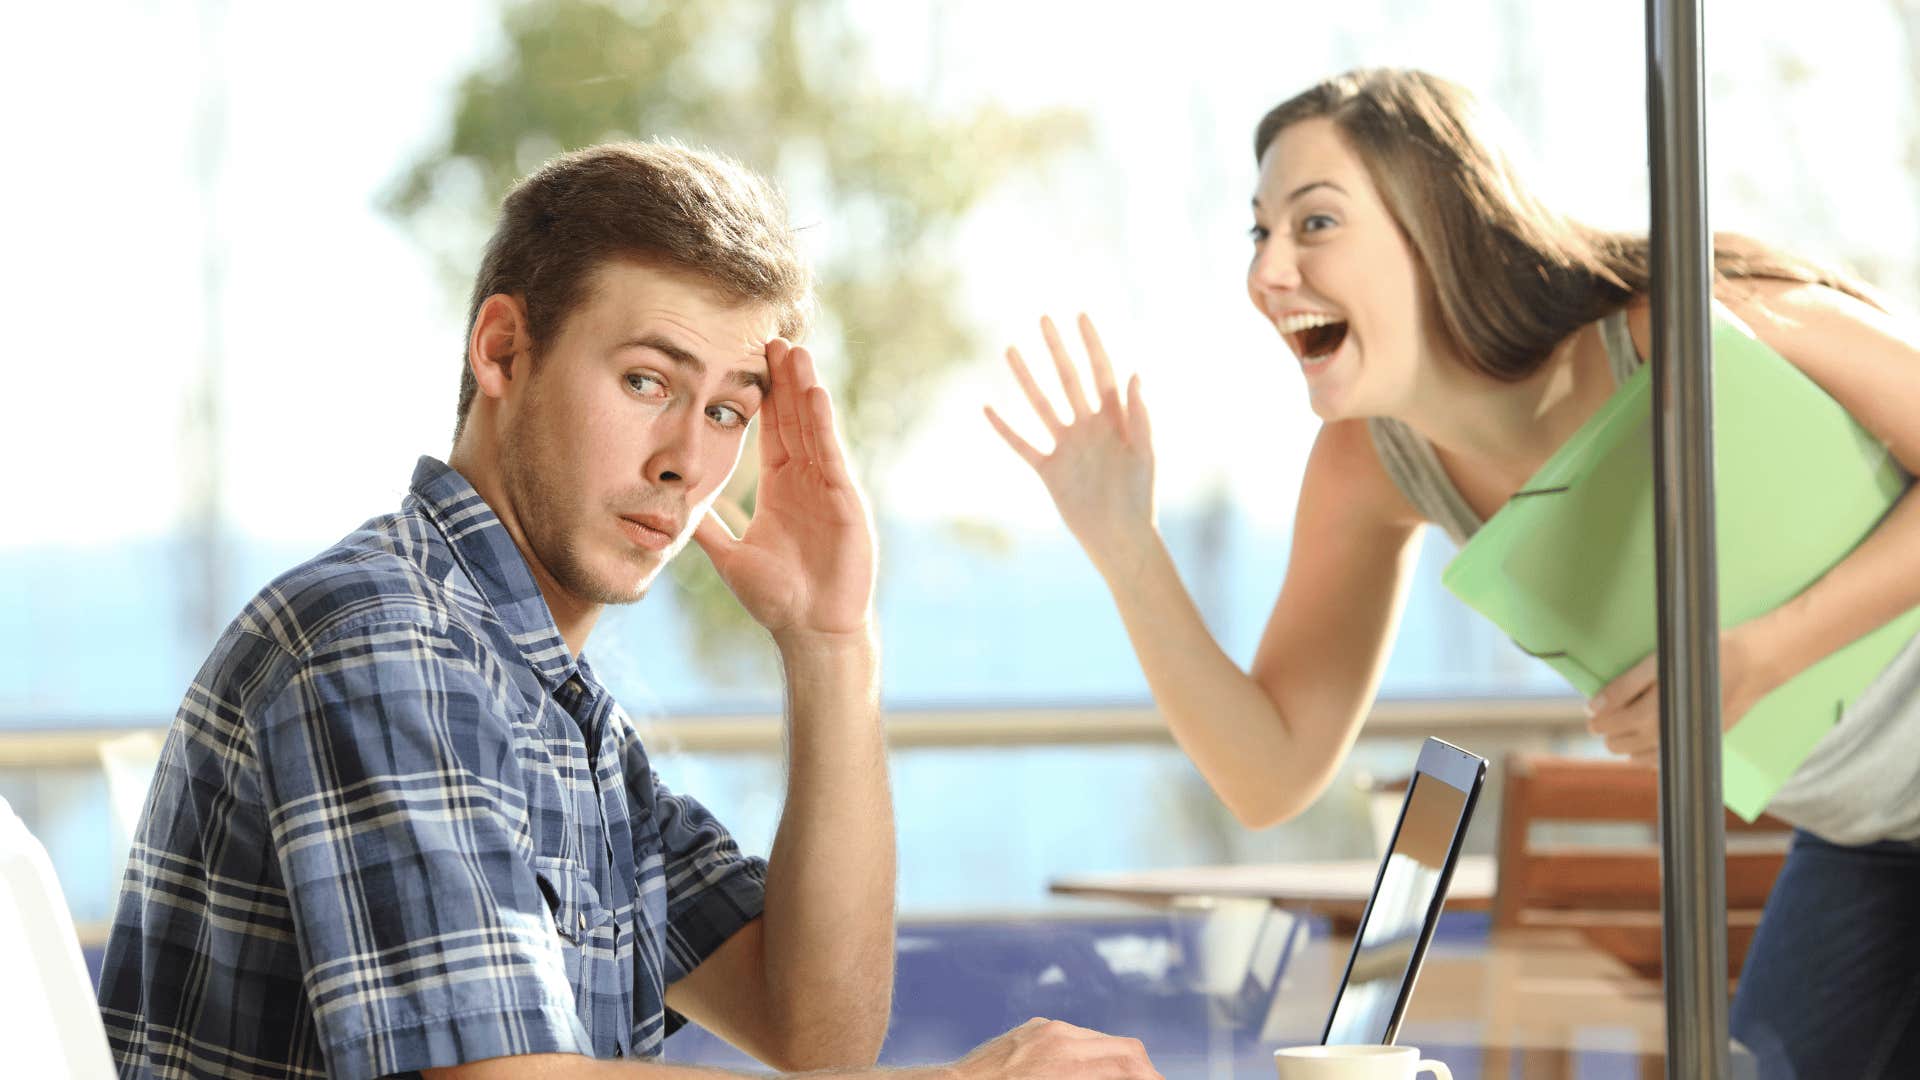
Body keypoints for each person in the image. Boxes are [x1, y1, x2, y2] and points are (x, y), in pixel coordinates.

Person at [98, 141, 1161, 1080]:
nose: (686, 463)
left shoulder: (556, 710)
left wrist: (830, 644)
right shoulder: (383, 641)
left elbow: (818, 1032)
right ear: (502, 350)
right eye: (649, 382)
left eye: (729, 410)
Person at [988, 68, 1920, 1077]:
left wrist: (1761, 656)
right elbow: (1270, 772)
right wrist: (1126, 543)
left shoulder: (1679, 326)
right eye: (1260, 233)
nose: (1267, 273)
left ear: (1437, 220)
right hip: (1869, 831)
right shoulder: (1371, 463)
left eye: (1315, 223)